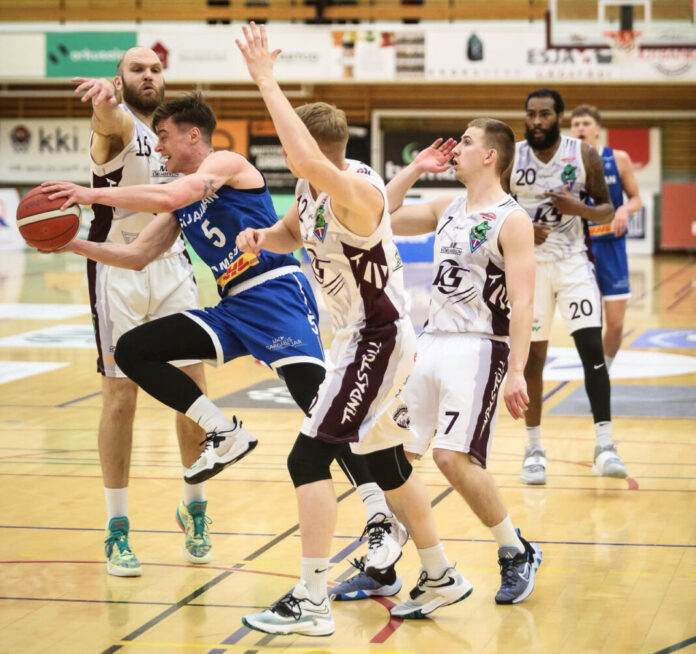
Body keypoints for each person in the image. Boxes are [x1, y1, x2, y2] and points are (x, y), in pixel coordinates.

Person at [44, 91, 406, 589]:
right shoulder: (182, 201)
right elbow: (136, 256)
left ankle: (378, 513)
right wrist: (70, 243)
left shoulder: (227, 164)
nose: (159, 148)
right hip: (232, 307)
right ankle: (223, 430)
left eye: (164, 137)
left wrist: (90, 195)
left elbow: (170, 196)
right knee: (132, 350)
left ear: (193, 135)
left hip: (275, 292)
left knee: (318, 406)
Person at [234, 22, 472, 636]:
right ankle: (441, 574)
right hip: (357, 339)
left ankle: (311, 600)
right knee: (387, 465)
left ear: (317, 152)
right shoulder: (313, 188)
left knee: (306, 457)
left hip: (376, 339)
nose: (290, 157)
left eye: (297, 148)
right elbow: (292, 232)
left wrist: (265, 79)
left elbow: (303, 159)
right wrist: (263, 238)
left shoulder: (355, 190)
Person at [386, 123, 542, 604]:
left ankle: (516, 551)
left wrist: (517, 371)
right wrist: (415, 168)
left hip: (479, 346)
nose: (457, 148)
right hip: (430, 341)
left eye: (468, 142)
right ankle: (386, 564)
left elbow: (524, 303)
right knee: (391, 456)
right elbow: (379, 213)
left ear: (491, 155)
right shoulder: (446, 207)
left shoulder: (511, 219)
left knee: (452, 458)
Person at [69, 47, 208, 576]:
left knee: (193, 393)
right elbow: (108, 120)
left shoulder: (170, 134)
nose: (148, 76)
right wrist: (104, 103)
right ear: (119, 78)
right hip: (118, 269)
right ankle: (118, 528)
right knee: (120, 398)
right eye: (137, 70)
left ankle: (194, 507)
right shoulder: (119, 125)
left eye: (155, 69)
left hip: (172, 266)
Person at [502, 88, 629, 484]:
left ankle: (605, 445)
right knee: (533, 360)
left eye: (544, 114)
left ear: (559, 117)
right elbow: (493, 208)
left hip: (573, 264)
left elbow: (607, 208)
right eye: (531, 114)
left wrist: (580, 209)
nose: (536, 121)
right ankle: (533, 448)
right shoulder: (513, 156)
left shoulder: (583, 154)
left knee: (592, 353)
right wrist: (524, 227)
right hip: (530, 267)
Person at [570, 105, 642, 370]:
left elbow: (636, 199)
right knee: (588, 324)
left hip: (612, 248)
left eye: (586, 123)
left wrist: (623, 209)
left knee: (616, 323)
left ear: (598, 128)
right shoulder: (565, 164)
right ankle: (595, 373)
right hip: (580, 251)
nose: (580, 128)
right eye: (576, 124)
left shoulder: (618, 159)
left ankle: (604, 370)